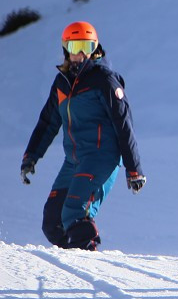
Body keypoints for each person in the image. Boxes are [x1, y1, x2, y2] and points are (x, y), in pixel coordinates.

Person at [21, 21, 145, 251]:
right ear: (66, 48)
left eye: (86, 47)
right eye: (76, 46)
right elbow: (48, 122)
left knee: (75, 213)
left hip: (101, 157)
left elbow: (124, 124)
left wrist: (134, 168)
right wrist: (31, 156)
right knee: (53, 221)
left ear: (95, 48)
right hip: (74, 160)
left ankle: (90, 263)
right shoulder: (62, 84)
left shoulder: (104, 80)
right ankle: (73, 259)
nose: (80, 54)